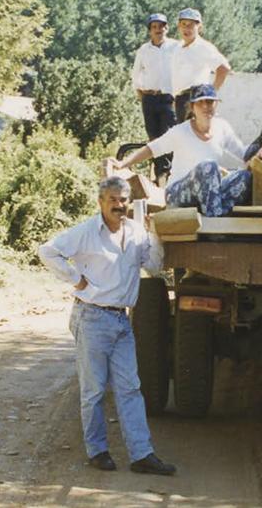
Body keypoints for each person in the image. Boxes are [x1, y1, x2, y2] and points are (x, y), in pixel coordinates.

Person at [37, 176, 178, 477]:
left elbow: (153, 267)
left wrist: (154, 236)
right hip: (92, 317)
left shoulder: (137, 232)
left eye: (123, 199)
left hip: (122, 320)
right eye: (112, 199)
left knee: (131, 388)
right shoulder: (88, 232)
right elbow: (47, 251)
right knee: (94, 390)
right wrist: (75, 279)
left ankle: (142, 455)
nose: (119, 205)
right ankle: (97, 451)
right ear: (100, 202)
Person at [107, 84, 249, 217]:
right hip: (177, 195)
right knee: (208, 167)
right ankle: (216, 224)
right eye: (201, 102)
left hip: (208, 196)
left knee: (244, 176)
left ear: (216, 104)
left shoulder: (222, 128)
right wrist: (123, 163)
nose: (206, 106)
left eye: (210, 102)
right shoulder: (181, 131)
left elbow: (243, 153)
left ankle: (219, 213)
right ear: (192, 107)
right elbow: (152, 149)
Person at [130, 13, 179, 181]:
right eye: (154, 27)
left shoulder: (175, 47)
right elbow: (136, 74)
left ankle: (166, 174)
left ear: (167, 28)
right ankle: (159, 175)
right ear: (150, 30)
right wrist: (141, 94)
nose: (158, 30)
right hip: (149, 98)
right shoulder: (144, 50)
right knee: (153, 137)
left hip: (168, 98)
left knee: (167, 136)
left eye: (161, 26)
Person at [169, 8, 230, 122]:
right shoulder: (178, 48)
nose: (186, 28)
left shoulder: (203, 47)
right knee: (184, 137)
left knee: (195, 136)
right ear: (179, 26)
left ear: (199, 27)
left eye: (191, 25)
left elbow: (224, 68)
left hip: (196, 98)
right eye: (183, 24)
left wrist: (211, 94)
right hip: (180, 99)